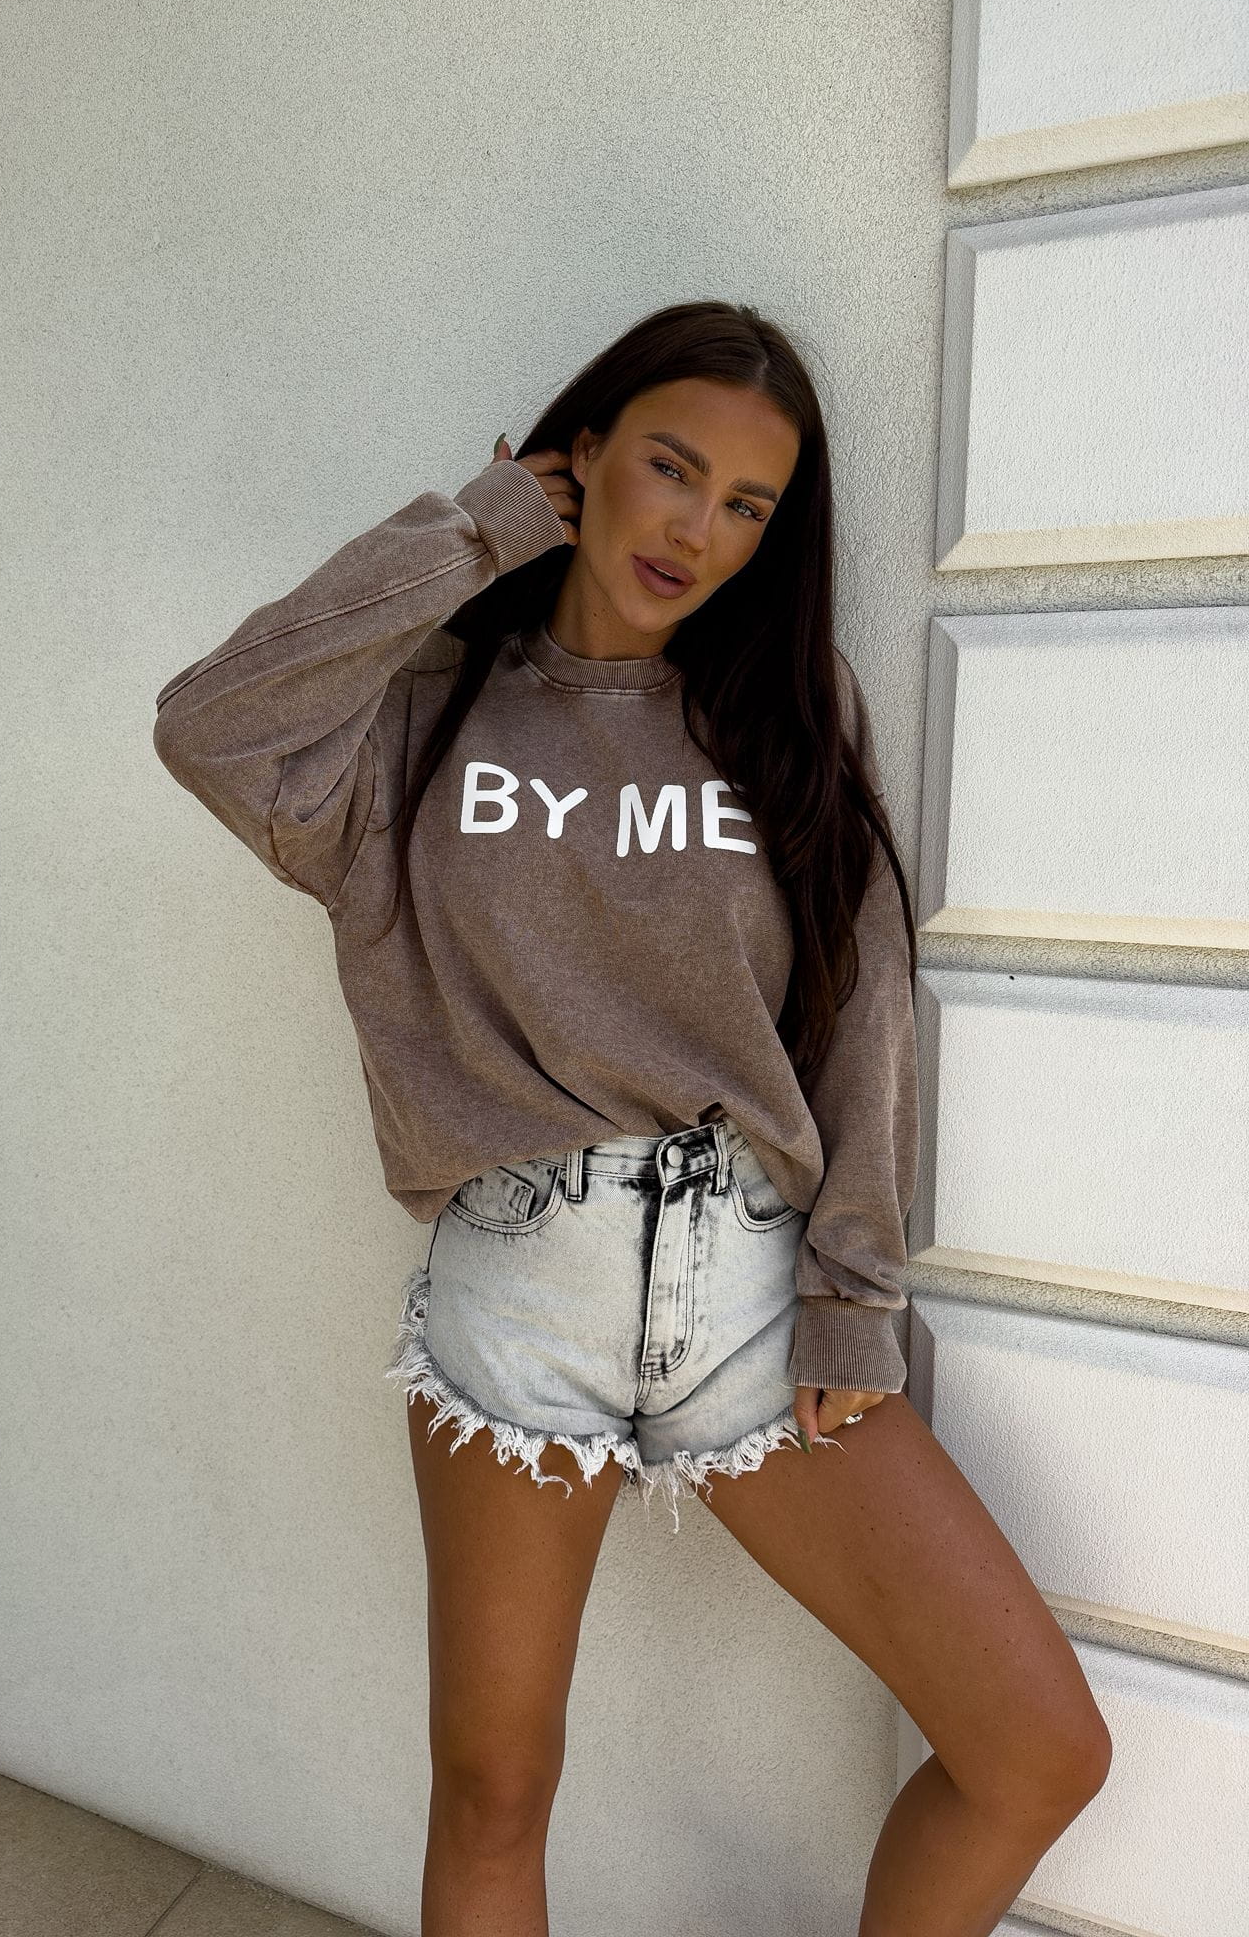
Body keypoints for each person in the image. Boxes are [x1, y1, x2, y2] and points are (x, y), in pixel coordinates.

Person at [152, 300, 1111, 1936]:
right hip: (519, 1283)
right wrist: (476, 530)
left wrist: (856, 1286)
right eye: (670, 468)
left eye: (747, 505)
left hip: (756, 1287)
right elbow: (210, 722)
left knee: (1035, 1749)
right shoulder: (416, 718)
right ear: (583, 454)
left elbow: (866, 1003)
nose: (697, 530)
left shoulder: (788, 710)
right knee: (494, 1789)